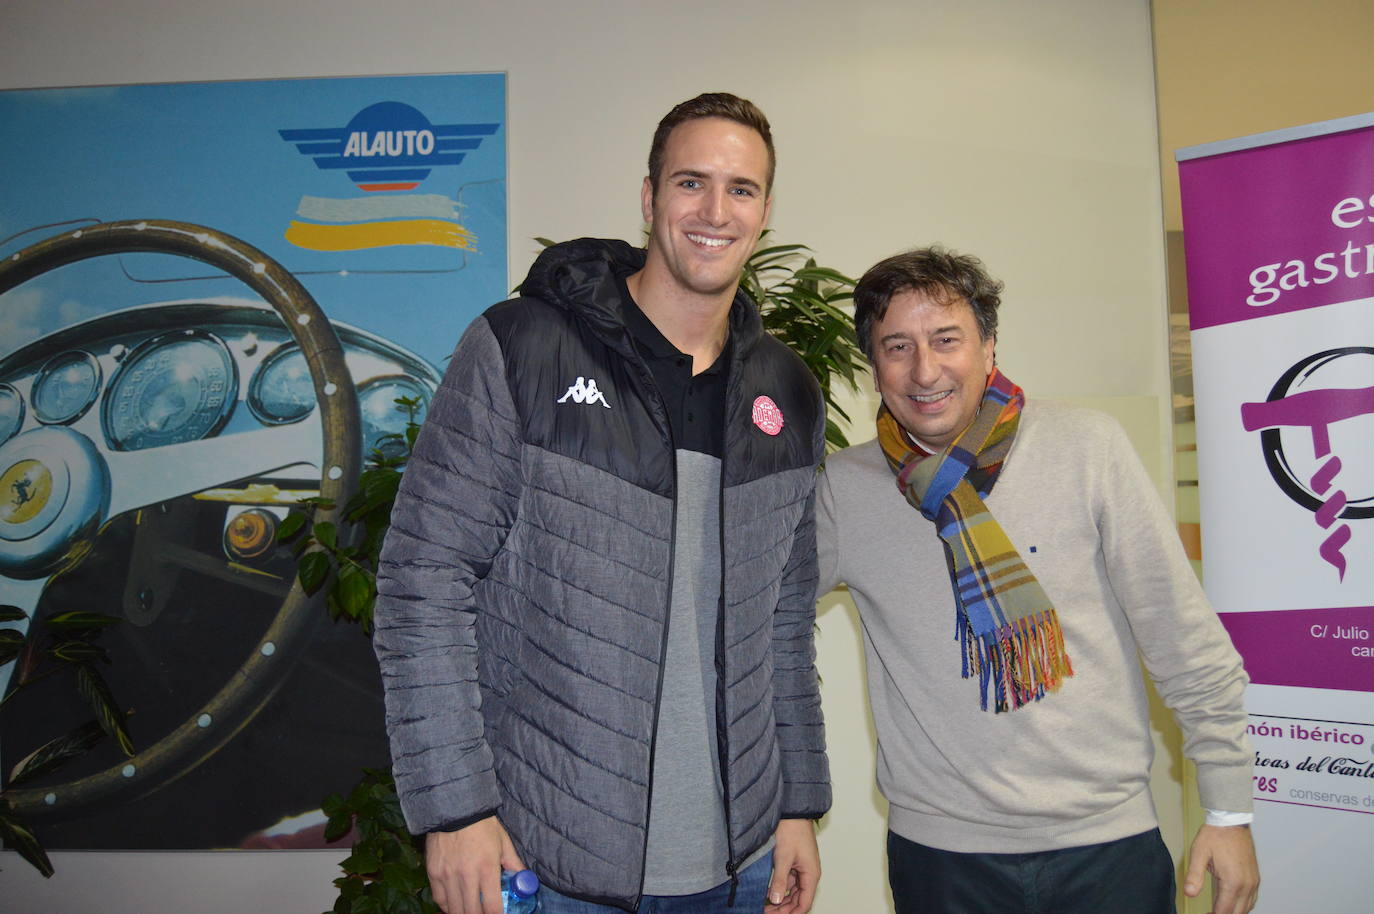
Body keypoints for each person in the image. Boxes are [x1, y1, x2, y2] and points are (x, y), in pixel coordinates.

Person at [372, 92, 830, 914]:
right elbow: (422, 581)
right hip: (553, 866)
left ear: (765, 212)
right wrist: (456, 810)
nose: (715, 211)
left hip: (743, 866)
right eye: (691, 182)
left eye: (742, 189)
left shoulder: (788, 392)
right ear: (650, 198)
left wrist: (797, 803)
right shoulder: (522, 346)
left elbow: (785, 625)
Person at [817, 247, 1260, 914]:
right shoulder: (845, 490)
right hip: (940, 861)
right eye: (897, 346)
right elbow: (755, 617)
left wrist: (1228, 810)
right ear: (873, 367)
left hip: (1107, 849)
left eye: (947, 340)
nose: (925, 370)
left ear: (989, 347)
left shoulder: (1088, 447)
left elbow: (1183, 638)